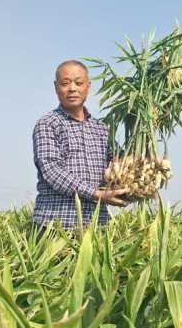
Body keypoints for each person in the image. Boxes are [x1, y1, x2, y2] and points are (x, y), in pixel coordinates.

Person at [31, 60, 129, 236]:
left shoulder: (101, 128)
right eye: (65, 83)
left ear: (88, 86)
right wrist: (95, 194)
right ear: (56, 87)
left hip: (97, 225)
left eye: (78, 83)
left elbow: (113, 167)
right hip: (55, 226)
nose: (72, 89)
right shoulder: (48, 124)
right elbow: (52, 171)